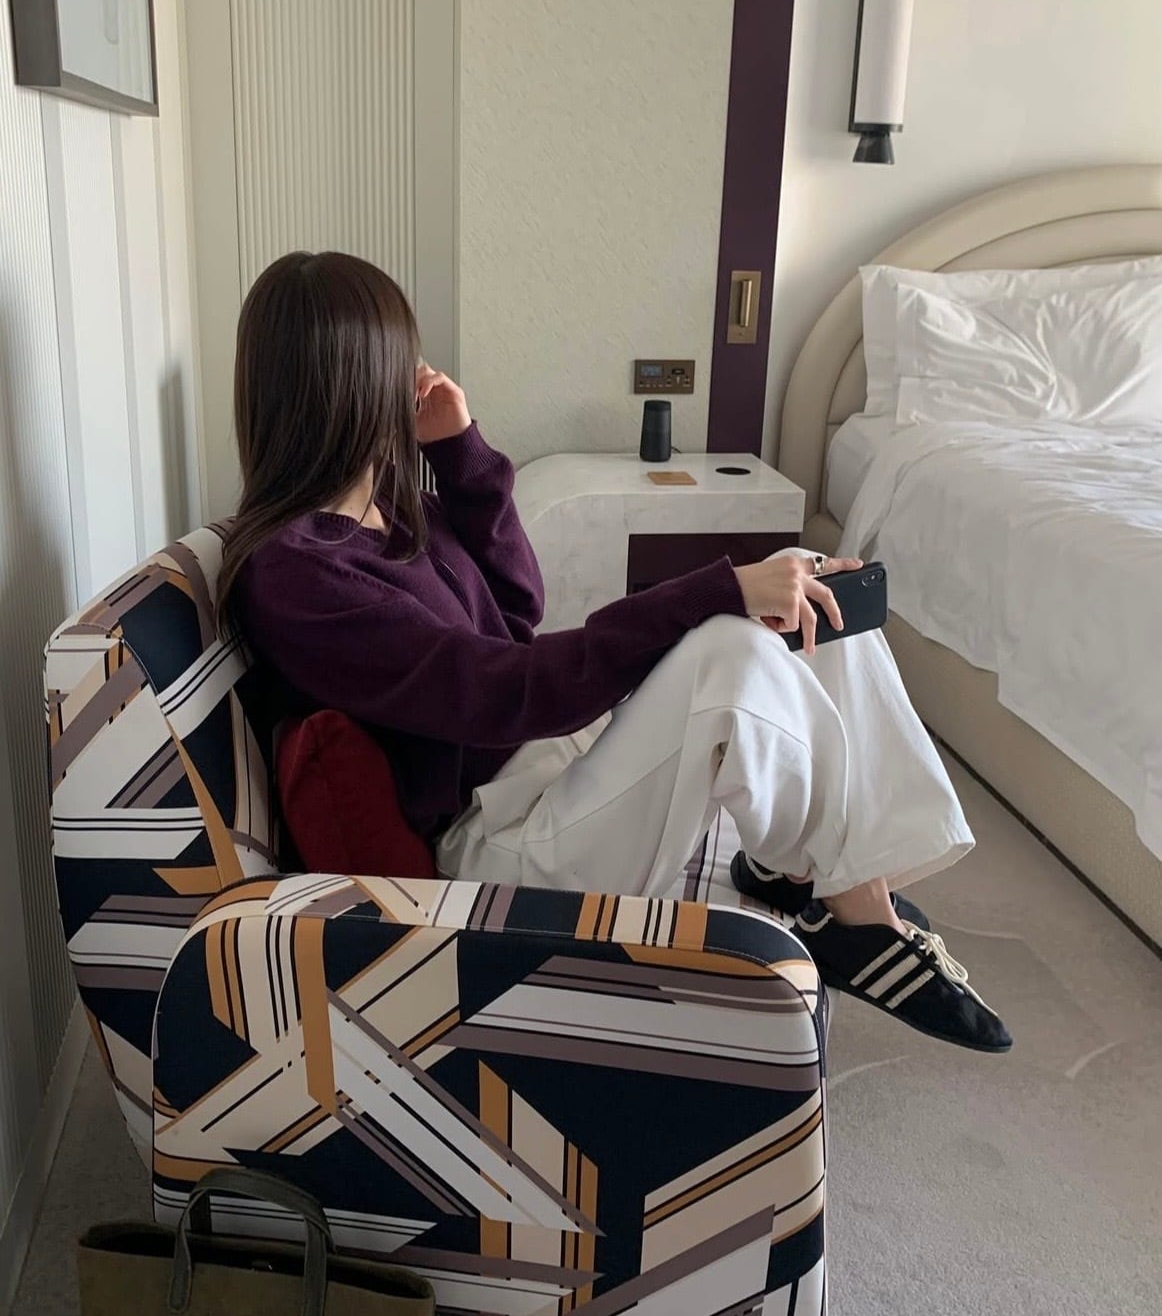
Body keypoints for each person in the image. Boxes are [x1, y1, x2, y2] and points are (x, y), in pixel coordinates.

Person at [222, 251, 1011, 1055]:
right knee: (727, 655)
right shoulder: (299, 577)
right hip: (491, 848)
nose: (418, 376)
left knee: (809, 590)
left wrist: (460, 451)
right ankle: (853, 912)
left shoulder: (390, 509)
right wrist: (718, 589)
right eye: (402, 358)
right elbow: (505, 688)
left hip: (544, 770)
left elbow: (518, 608)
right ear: (355, 383)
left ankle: (821, 878)